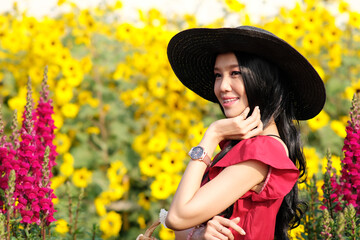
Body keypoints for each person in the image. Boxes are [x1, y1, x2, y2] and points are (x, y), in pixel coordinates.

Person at [163, 26, 326, 240]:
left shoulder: (261, 151)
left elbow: (176, 218)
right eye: (218, 75)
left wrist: (212, 134)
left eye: (235, 73)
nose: (223, 86)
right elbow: (179, 229)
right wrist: (199, 233)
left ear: (264, 81)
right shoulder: (243, 147)